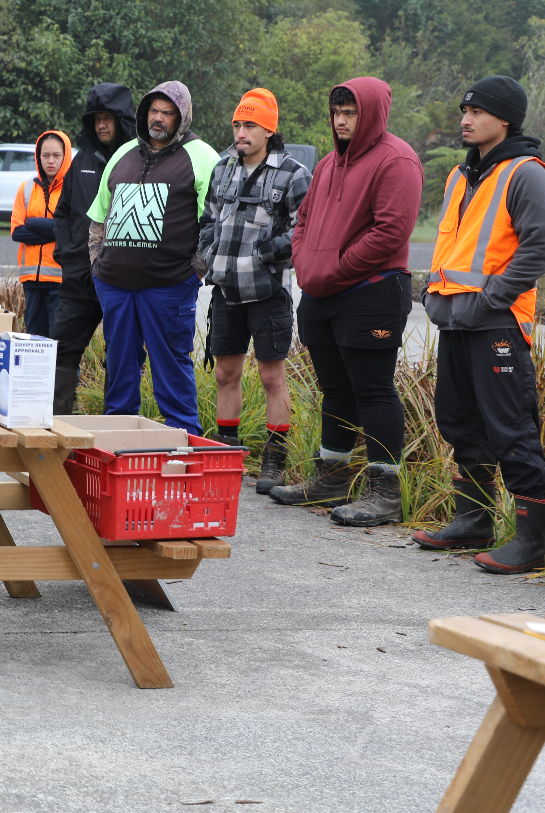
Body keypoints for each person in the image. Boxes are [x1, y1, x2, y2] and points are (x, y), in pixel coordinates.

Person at [269, 78, 422, 525]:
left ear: (370, 113)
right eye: (336, 112)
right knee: (335, 389)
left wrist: (334, 267)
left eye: (350, 112)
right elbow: (304, 221)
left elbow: (391, 231)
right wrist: (306, 260)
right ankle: (332, 477)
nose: (340, 120)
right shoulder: (328, 166)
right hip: (321, 294)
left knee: (373, 389)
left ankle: (385, 492)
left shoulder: (397, 160)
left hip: (371, 290)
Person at [412, 76, 545, 573]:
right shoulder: (460, 175)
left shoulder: (526, 173)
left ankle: (534, 540)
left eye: (477, 112)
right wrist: (431, 293)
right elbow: (453, 248)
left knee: (511, 429)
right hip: (455, 320)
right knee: (458, 420)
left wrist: (493, 297)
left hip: (498, 324)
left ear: (504, 119)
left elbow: (537, 247)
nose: (465, 119)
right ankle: (474, 521)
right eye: (464, 111)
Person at [196, 89, 312, 495]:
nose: (241, 132)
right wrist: (208, 253)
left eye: (250, 125)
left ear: (269, 129)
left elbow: (303, 227)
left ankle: (275, 459)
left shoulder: (293, 173)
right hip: (226, 290)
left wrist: (266, 253)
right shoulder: (223, 168)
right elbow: (207, 218)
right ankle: (226, 454)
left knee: (270, 376)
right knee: (226, 373)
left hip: (268, 292)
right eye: (237, 124)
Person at [86, 82, 218, 435]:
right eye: (153, 111)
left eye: (167, 112)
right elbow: (99, 216)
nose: (157, 118)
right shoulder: (123, 153)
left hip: (170, 285)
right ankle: (117, 436)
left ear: (182, 116)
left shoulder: (202, 156)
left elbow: (215, 222)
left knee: (171, 365)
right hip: (114, 284)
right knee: (118, 362)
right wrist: (97, 265)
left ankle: (183, 439)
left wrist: (195, 272)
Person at [51, 83, 135, 414]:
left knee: (120, 353)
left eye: (108, 118)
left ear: (122, 120)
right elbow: (63, 212)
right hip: (77, 279)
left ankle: (113, 429)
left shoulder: (138, 159)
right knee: (62, 348)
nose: (101, 125)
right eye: (96, 118)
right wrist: (65, 253)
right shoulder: (82, 159)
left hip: (120, 279)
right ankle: (56, 430)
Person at [10, 131, 72, 335]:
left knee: (59, 341)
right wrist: (56, 229)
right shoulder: (26, 188)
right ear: (39, 157)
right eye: (46, 155)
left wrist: (33, 222)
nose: (51, 161)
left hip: (61, 280)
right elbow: (17, 232)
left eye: (56, 155)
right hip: (31, 280)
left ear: (66, 156)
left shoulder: (73, 189)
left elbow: (73, 230)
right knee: (34, 339)